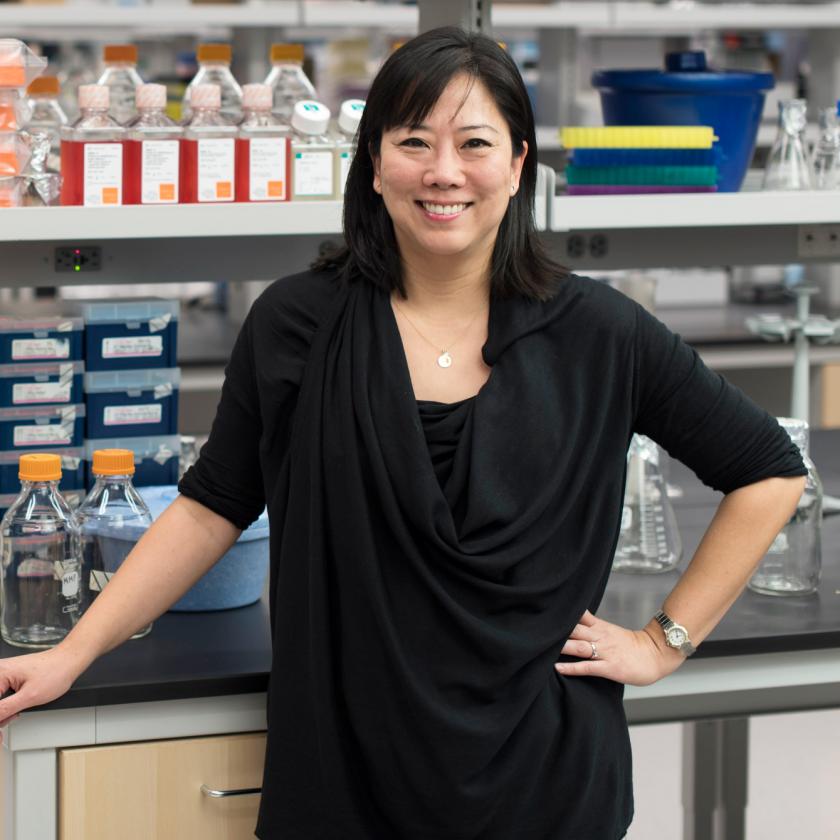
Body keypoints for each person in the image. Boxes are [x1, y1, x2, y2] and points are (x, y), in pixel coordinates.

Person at [0, 27, 807, 840]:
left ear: (518, 164)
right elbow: (212, 507)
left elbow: (770, 472)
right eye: (414, 141)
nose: (443, 171)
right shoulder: (296, 324)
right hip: (344, 777)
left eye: (475, 143)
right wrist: (74, 652)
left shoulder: (600, 333)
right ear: (375, 164)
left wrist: (665, 641)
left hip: (544, 782)